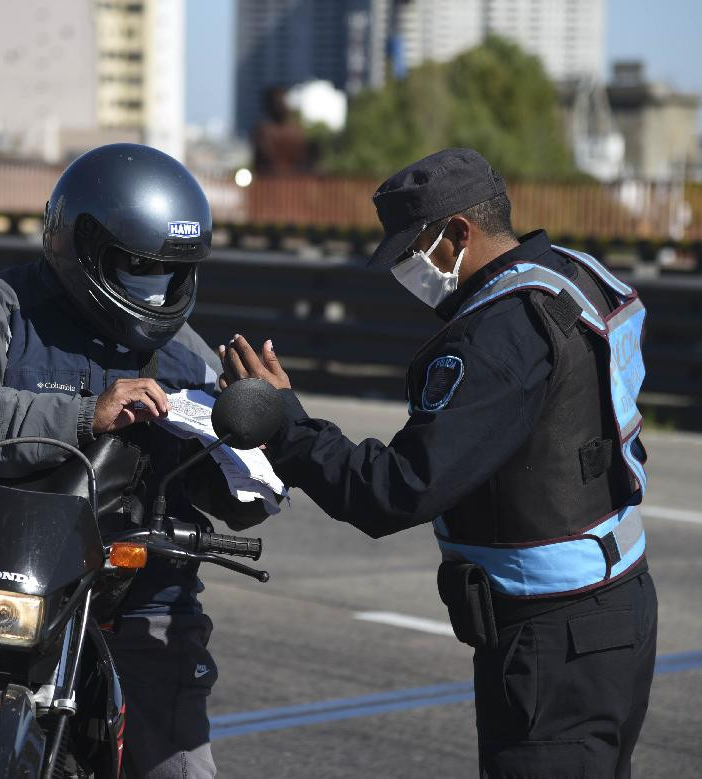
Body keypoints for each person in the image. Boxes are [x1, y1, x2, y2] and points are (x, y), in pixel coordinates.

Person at [221, 148, 657, 778]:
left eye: (411, 250)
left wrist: (285, 423)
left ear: (458, 234)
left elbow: (395, 490)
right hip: (614, 608)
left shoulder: (502, 333)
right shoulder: (572, 275)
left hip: (552, 637)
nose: (406, 269)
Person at [0, 143, 270, 777]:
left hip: (136, 598)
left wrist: (265, 429)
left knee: (179, 768)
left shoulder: (186, 357)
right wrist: (83, 416)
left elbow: (238, 501)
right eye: (137, 271)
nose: (157, 293)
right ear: (81, 247)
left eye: (170, 273)